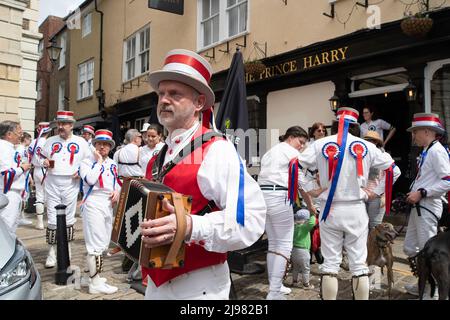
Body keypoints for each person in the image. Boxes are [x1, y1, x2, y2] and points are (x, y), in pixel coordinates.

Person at [139, 48, 267, 300]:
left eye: (175, 94)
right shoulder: (157, 156)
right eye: (161, 93)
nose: (164, 100)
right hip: (156, 284)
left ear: (199, 103)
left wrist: (191, 226)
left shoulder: (217, 149)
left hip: (200, 287)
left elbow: (250, 220)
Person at [298, 107, 397, 300]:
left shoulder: (320, 144)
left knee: (330, 265)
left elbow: (294, 166)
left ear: (336, 123)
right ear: (355, 126)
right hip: (356, 210)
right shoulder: (367, 147)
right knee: (359, 264)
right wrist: (374, 193)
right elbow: (395, 170)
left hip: (330, 210)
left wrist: (311, 188)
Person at [258, 125, 315, 300]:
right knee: (283, 244)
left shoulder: (271, 151)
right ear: (291, 137)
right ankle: (274, 292)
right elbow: (302, 182)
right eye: (301, 142)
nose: (302, 146)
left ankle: (276, 285)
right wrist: (312, 202)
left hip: (263, 196)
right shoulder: (291, 153)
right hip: (279, 196)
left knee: (274, 244)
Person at [403, 113, 450, 299]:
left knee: (429, 253)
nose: (413, 135)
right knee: (410, 247)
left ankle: (433, 290)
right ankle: (423, 281)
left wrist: (422, 193)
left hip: (427, 207)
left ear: (426, 131)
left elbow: (448, 181)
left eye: (415, 132)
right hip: (420, 207)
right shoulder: (428, 150)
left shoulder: (436, 151)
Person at [40, 111, 91, 268]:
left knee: (69, 217)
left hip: (71, 182)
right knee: (52, 218)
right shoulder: (50, 141)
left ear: (71, 125)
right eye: (59, 124)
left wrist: (81, 172)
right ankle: (51, 253)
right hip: (52, 181)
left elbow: (88, 161)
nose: (60, 127)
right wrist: (44, 162)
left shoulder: (81, 142)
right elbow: (41, 157)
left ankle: (66, 250)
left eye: (64, 124)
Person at [79, 130, 120, 295]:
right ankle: (95, 284)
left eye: (106, 144)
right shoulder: (87, 162)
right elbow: (90, 179)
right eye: (99, 144)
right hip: (93, 202)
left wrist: (117, 192)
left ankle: (94, 277)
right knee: (94, 245)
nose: (102, 147)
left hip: (107, 204)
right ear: (94, 145)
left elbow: (116, 182)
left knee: (103, 243)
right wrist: (99, 162)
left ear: (110, 147)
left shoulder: (112, 163)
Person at [0, 121, 32, 232]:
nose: (21, 136)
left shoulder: (8, 148)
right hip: (8, 192)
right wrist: (22, 168)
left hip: (11, 192)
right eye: (19, 133)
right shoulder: (4, 149)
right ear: (9, 134)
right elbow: (5, 174)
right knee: (7, 227)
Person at [28, 122, 52, 230]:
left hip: (36, 170)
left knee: (39, 196)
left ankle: (40, 223)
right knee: (50, 196)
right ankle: (51, 221)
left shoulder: (33, 142)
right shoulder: (48, 142)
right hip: (45, 170)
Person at [291, 208, 316, 289]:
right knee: (306, 269)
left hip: (294, 250)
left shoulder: (294, 227)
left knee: (295, 268)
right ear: (306, 220)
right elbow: (312, 223)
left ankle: (295, 282)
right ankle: (306, 284)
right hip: (303, 251)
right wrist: (313, 214)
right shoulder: (304, 227)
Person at [17, 132, 33, 226]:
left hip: (25, 175)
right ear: (26, 139)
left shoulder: (24, 149)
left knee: (24, 196)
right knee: (21, 197)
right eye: (29, 139)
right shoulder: (20, 149)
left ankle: (21, 216)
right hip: (22, 176)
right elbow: (21, 163)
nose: (30, 141)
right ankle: (19, 217)